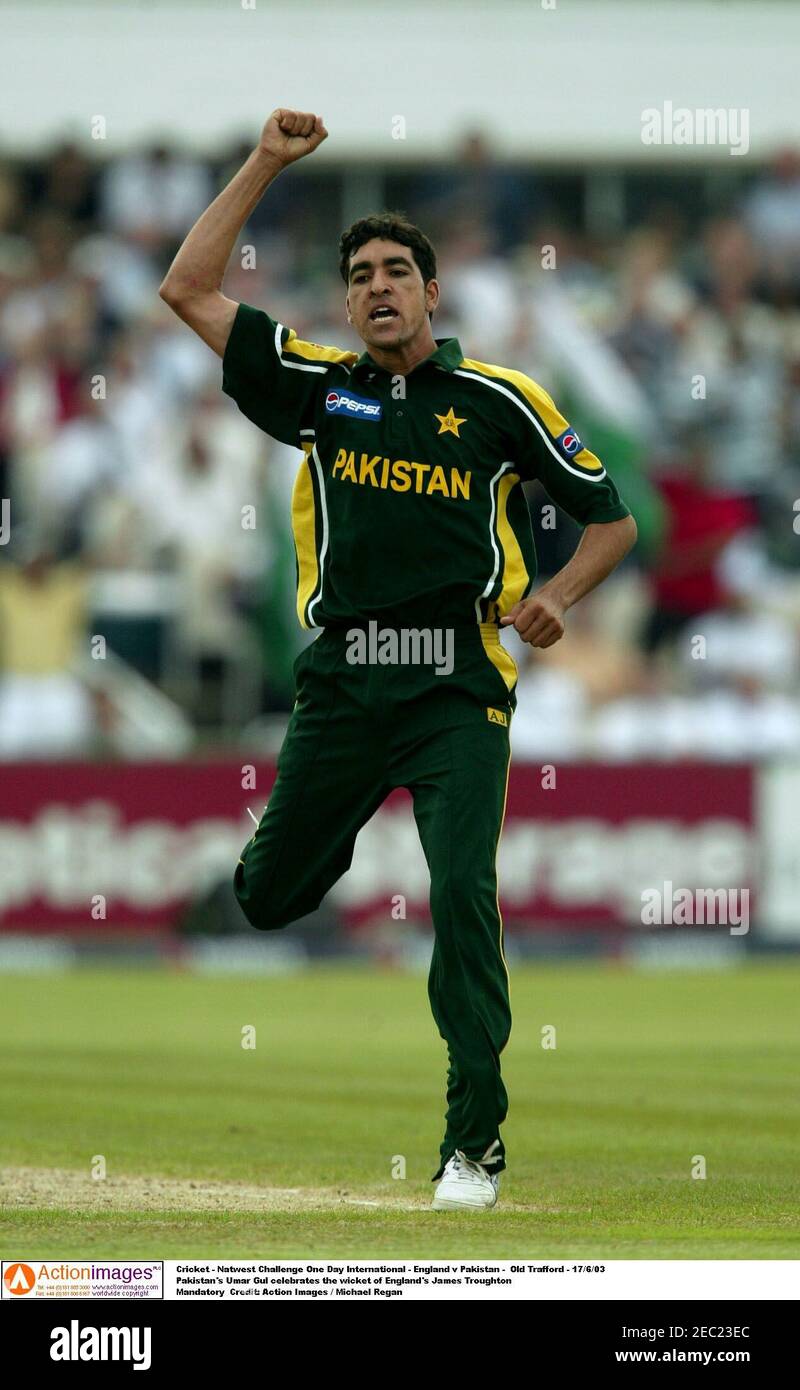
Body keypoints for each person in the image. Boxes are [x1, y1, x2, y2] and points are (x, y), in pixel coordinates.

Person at [159, 108, 637, 1212]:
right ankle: (303, 854)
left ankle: (472, 1148)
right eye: (360, 274)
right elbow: (186, 289)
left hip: (456, 685)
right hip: (341, 682)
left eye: (395, 271)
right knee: (269, 898)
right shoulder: (320, 389)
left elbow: (607, 519)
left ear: (431, 293)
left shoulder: (499, 401)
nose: (376, 287)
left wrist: (556, 597)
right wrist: (267, 162)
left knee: (461, 891)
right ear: (348, 300)